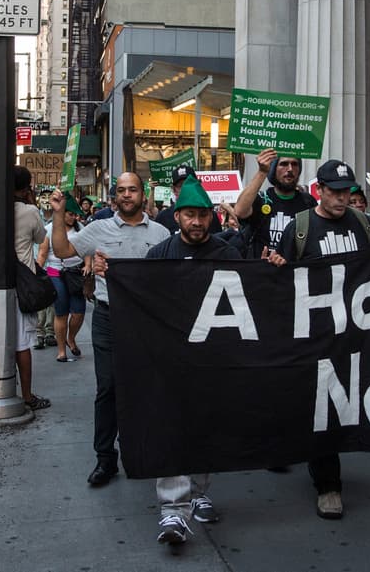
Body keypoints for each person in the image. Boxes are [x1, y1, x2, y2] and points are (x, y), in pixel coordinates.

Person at [267, 159, 370, 521]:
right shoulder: (300, 228)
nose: (342, 198)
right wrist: (276, 266)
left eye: (347, 191)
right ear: (320, 190)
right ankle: (328, 484)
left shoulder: (363, 224)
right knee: (323, 407)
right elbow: (281, 278)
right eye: (334, 192)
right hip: (314, 334)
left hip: (355, 331)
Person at [50, 172, 171, 487]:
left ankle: (145, 451)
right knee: (108, 388)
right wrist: (58, 213)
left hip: (146, 320)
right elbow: (62, 251)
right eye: (121, 190)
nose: (127, 195)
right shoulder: (98, 229)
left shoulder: (161, 233)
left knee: (147, 387)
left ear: (143, 194)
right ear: (114, 197)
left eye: (133, 189)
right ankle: (106, 459)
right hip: (108, 318)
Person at [142, 178, 240, 545]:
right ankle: (172, 511)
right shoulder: (159, 255)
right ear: (177, 216)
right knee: (172, 428)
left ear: (212, 218)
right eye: (189, 215)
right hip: (171, 358)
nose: (196, 222)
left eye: (202, 215)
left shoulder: (228, 254)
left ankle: (199, 493)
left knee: (204, 428)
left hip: (213, 358)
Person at [12, 166, 51, 413]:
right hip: (22, 284)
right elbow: (40, 238)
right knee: (22, 342)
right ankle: (27, 395)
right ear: (27, 188)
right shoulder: (30, 211)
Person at [234, 148, 317, 259]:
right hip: (262, 271)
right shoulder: (262, 199)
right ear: (273, 169)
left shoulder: (308, 202)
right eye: (284, 164)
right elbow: (240, 211)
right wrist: (262, 171)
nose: (290, 169)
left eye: (295, 164)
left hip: (294, 272)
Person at [38, 194, 88, 363]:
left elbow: (88, 249)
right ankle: (61, 350)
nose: (74, 218)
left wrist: (88, 264)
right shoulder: (50, 229)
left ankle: (71, 338)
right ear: (63, 213)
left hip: (76, 273)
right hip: (55, 272)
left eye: (76, 215)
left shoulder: (81, 228)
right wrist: (36, 274)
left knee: (78, 312)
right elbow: (43, 253)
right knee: (61, 313)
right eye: (71, 214)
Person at [155, 165, 223, 234]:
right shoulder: (162, 217)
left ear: (198, 186)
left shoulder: (209, 215)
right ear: (174, 190)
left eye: (190, 184)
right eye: (181, 186)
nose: (186, 189)